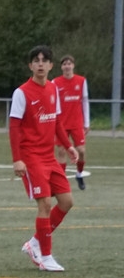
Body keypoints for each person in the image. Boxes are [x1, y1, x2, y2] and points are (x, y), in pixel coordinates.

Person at [10, 45, 78, 272]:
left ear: (50, 65)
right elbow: (14, 127)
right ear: (30, 65)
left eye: (44, 60)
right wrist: (17, 159)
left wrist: (68, 146)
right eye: (36, 60)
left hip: (49, 157)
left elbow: (57, 121)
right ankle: (45, 258)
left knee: (67, 201)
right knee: (45, 204)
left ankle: (35, 243)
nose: (40, 64)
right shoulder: (21, 93)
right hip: (31, 157)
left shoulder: (53, 89)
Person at [52, 54, 90, 190]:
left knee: (81, 150)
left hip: (76, 123)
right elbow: (52, 103)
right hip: (61, 124)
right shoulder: (55, 82)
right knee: (61, 151)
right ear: (61, 67)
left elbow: (85, 102)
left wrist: (87, 123)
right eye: (64, 64)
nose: (67, 66)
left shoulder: (81, 81)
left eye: (69, 64)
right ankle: (62, 182)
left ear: (73, 65)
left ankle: (79, 174)